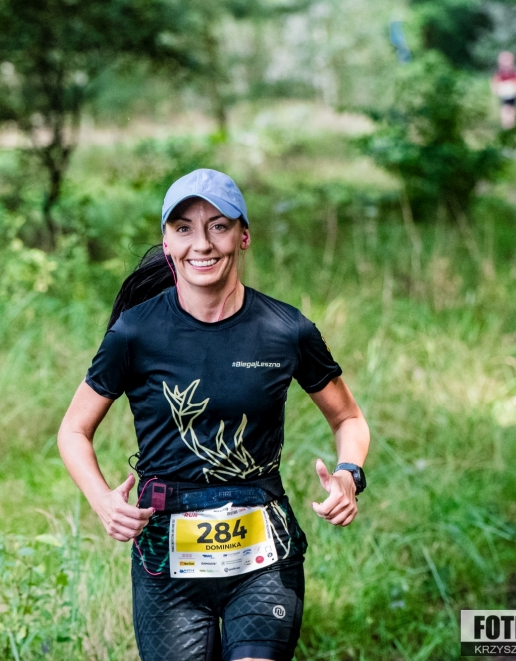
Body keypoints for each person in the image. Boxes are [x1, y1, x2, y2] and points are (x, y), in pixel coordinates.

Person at [57, 168, 371, 661]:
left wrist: (349, 475)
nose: (201, 244)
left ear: (243, 236)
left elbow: (347, 418)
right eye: (183, 228)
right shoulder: (134, 333)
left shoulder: (285, 330)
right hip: (167, 559)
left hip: (263, 556)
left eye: (218, 226)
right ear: (167, 243)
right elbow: (74, 430)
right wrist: (102, 501)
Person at [491, 51, 516, 130]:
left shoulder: (515, 70)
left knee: (512, 108)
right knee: (504, 108)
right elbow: (495, 80)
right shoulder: (499, 71)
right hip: (504, 92)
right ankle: (505, 124)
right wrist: (495, 89)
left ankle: (511, 125)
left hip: (512, 92)